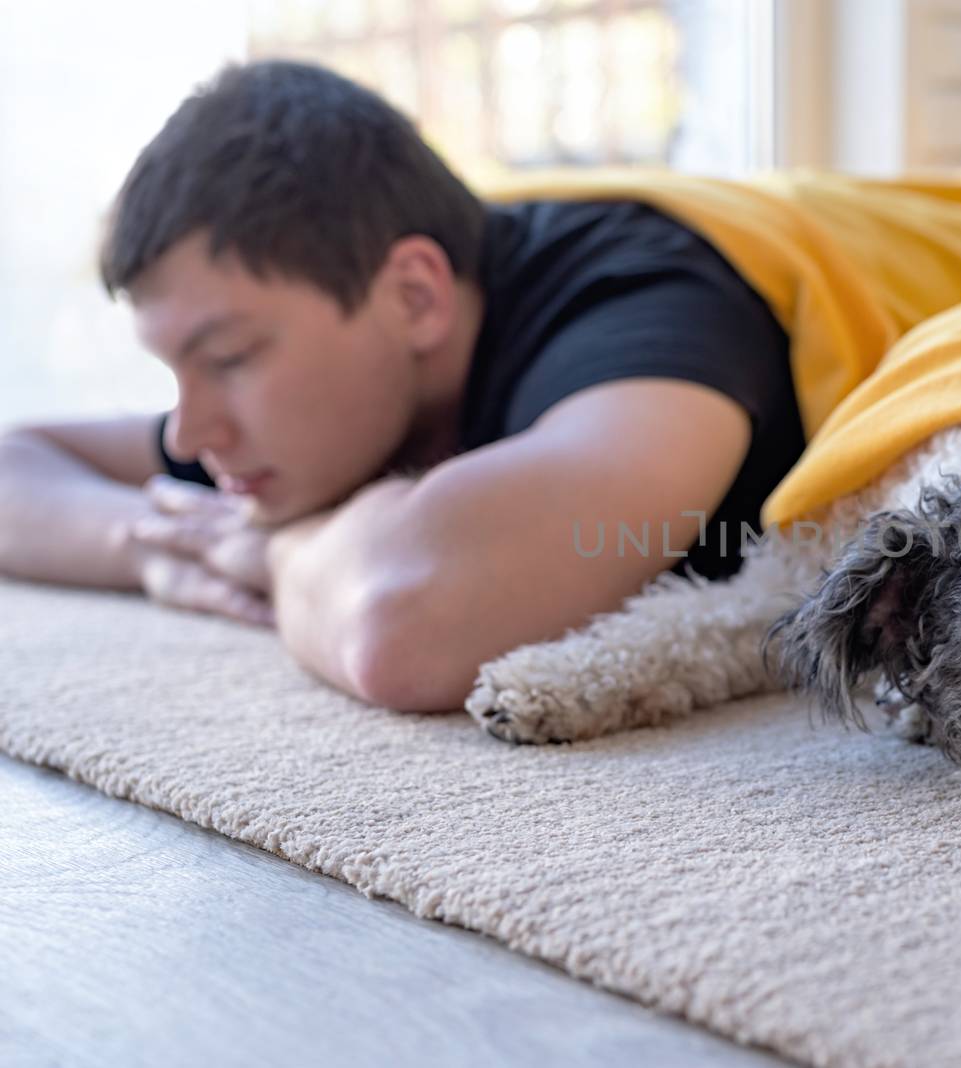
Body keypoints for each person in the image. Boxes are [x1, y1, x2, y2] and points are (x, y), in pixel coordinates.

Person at [0, 59, 805, 713]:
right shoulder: (344, 377)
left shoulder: (645, 310)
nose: (188, 434)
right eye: (173, 368)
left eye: (231, 358)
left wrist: (267, 550)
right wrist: (154, 547)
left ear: (415, 296)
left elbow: (407, 625)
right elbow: (14, 464)